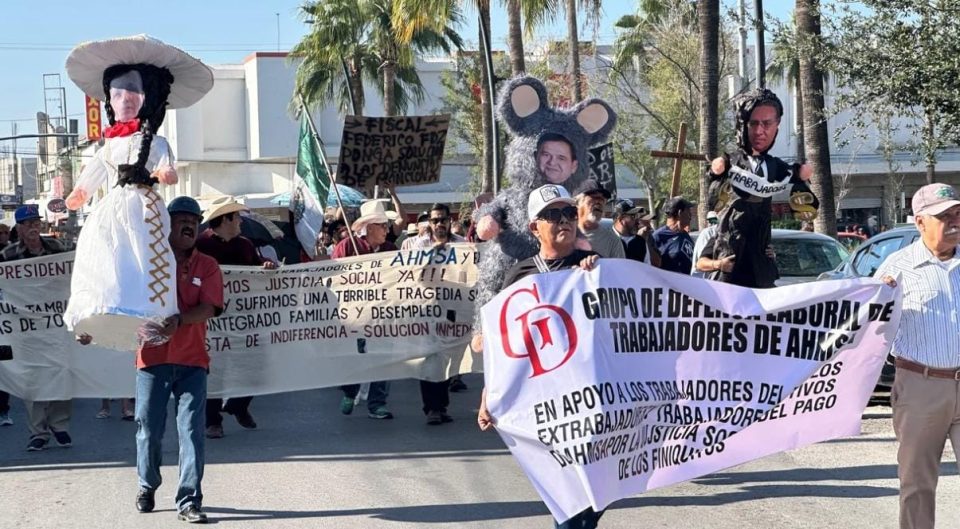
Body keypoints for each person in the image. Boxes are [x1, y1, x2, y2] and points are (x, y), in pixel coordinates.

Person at [62, 35, 213, 351]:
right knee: (102, 253)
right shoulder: (111, 144)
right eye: (118, 94)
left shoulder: (156, 143)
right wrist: (81, 191)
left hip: (143, 205)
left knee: (146, 256)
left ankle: (150, 311)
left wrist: (165, 172)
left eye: (133, 93)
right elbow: (97, 170)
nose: (125, 100)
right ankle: (97, 306)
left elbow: (166, 166)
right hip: (113, 206)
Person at [91, 196, 222, 523]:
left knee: (192, 431)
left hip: (193, 361)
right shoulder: (146, 262)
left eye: (194, 220)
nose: (189, 225)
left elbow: (210, 308)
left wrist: (180, 320)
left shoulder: (207, 265)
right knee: (148, 429)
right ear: (166, 225)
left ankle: (189, 500)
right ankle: (147, 484)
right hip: (152, 360)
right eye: (181, 220)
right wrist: (92, 326)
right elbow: (116, 296)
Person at [478, 184, 601, 529]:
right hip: (546, 406)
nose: (563, 220)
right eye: (552, 215)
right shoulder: (519, 276)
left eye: (568, 213)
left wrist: (599, 280)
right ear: (535, 227)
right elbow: (505, 347)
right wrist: (488, 395)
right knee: (569, 501)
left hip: (591, 401)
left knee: (591, 497)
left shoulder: (594, 269)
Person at [876, 183, 960, 529]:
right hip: (920, 387)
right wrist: (880, 299)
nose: (954, 222)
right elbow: (868, 330)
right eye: (945, 217)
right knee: (918, 484)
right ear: (920, 222)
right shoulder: (896, 269)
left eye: (957, 214)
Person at [706, 87, 818, 288]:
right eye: (753, 123)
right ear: (742, 126)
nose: (760, 131)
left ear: (777, 126)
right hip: (731, 247)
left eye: (767, 124)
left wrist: (800, 173)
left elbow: (791, 174)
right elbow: (716, 176)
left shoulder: (775, 166)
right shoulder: (735, 161)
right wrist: (717, 169)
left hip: (760, 254)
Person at [196, 197, 276, 439]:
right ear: (225, 219)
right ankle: (213, 421)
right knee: (216, 370)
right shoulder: (201, 245)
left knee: (255, 364)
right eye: (237, 217)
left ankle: (238, 406)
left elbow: (256, 267)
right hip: (213, 320)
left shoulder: (245, 245)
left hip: (243, 319)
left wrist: (267, 266)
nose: (240, 221)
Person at [2, 205, 71, 450]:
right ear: (18, 228)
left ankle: (59, 425)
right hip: (26, 328)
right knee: (33, 376)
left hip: (55, 324)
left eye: (35, 222)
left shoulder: (57, 249)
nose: (33, 227)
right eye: (27, 223)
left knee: (61, 371)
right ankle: (38, 431)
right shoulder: (8, 256)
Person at [331, 200, 398, 420]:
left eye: (387, 226)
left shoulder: (390, 249)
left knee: (383, 357)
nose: (387, 230)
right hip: (354, 314)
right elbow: (332, 276)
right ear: (370, 228)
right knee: (356, 355)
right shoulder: (347, 247)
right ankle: (350, 391)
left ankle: (377, 404)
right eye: (383, 226)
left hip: (382, 314)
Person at [406, 203, 467, 424]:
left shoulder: (462, 245)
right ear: (429, 223)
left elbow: (468, 274)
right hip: (427, 308)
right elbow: (413, 276)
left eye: (442, 219)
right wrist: (434, 255)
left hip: (453, 309)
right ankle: (431, 407)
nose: (439, 224)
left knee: (447, 358)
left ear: (450, 221)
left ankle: (441, 405)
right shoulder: (420, 245)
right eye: (434, 220)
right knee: (430, 357)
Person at [573, 179, 625, 259]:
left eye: (602, 199)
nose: (599, 202)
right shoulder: (566, 234)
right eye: (594, 197)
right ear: (578, 203)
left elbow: (618, 270)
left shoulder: (612, 240)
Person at [652, 197, 695, 275]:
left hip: (689, 284)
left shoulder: (685, 235)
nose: (690, 215)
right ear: (679, 213)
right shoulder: (658, 236)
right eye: (688, 211)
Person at [612, 199, 660, 266]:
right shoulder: (606, 239)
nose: (637, 221)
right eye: (633, 216)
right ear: (621, 219)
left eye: (637, 216)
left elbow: (647, 268)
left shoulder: (641, 242)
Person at [690, 211, 719, 276]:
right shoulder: (708, 233)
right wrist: (721, 264)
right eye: (710, 220)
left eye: (714, 220)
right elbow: (703, 263)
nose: (712, 222)